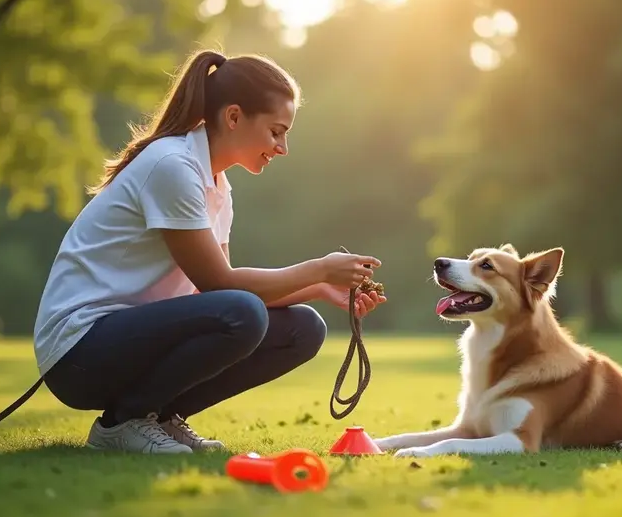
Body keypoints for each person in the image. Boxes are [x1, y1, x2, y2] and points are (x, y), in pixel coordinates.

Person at [33, 49, 386, 454]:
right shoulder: (172, 167)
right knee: (242, 312)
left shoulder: (218, 186)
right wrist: (320, 269)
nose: (283, 147)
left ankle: (159, 416)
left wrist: (320, 290)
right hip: (80, 352)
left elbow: (214, 296)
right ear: (233, 117)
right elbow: (221, 286)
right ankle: (122, 422)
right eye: (276, 131)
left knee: (303, 329)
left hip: (126, 340)